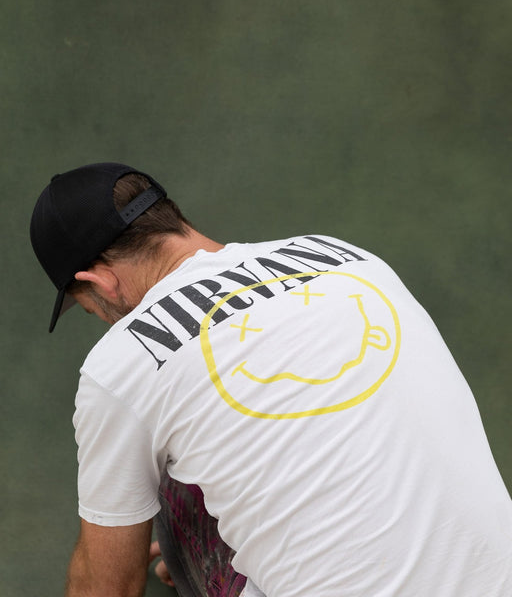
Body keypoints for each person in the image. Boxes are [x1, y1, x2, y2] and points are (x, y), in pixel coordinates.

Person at [30, 162, 512, 597]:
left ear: (99, 283)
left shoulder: (124, 358)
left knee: (166, 463)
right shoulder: (343, 254)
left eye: (93, 310)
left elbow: (106, 587)